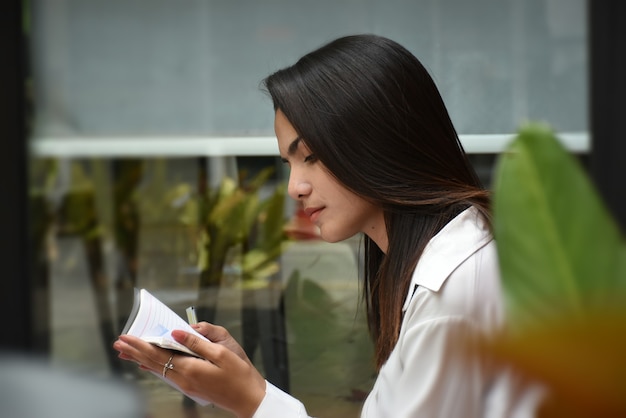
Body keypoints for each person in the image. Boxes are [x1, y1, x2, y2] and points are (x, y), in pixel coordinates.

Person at [113, 34, 542, 417]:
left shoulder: (448, 298)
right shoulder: (456, 257)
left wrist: (252, 399)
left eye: (312, 156)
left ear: (379, 140)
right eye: (289, 163)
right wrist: (247, 390)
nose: (294, 188)